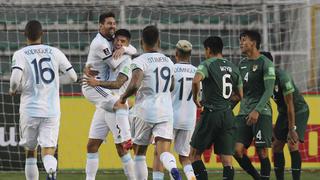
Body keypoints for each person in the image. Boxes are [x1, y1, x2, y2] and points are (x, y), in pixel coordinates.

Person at [9, 20, 77, 180]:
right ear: (42, 34)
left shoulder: (20, 54)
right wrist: (56, 81)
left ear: (24, 35)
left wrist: (13, 90)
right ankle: (51, 170)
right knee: (48, 151)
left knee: (31, 152)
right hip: (51, 110)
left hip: (30, 110)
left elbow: (14, 80)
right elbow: (73, 77)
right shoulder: (55, 52)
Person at [118, 25, 182, 180]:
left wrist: (123, 98)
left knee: (140, 153)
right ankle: (172, 167)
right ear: (158, 42)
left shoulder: (140, 61)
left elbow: (134, 85)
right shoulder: (168, 60)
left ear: (141, 42)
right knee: (163, 152)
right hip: (166, 111)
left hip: (145, 111)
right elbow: (172, 85)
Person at [81, 12, 136, 180]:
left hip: (109, 95)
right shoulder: (102, 44)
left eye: (114, 23)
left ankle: (128, 139)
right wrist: (125, 49)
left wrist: (126, 51)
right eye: (109, 23)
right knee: (100, 146)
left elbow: (119, 83)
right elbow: (112, 61)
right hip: (100, 92)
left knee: (96, 146)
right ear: (100, 25)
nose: (112, 26)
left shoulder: (126, 60)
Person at [190, 36, 243, 180]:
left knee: (194, 155)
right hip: (227, 115)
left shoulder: (207, 64)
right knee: (227, 160)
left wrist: (196, 99)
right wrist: (225, 104)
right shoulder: (233, 67)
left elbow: (196, 81)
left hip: (211, 113)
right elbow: (240, 95)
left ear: (208, 49)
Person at [260, 52, 309, 180]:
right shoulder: (261, 79)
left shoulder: (283, 77)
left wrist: (292, 129)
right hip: (283, 112)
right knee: (276, 146)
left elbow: (290, 104)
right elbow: (263, 103)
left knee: (292, 144)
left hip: (298, 110)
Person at [152, 40, 197, 180]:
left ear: (176, 53)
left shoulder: (170, 69)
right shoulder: (197, 72)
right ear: (190, 55)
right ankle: (191, 177)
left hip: (170, 116)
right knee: (185, 157)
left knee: (160, 153)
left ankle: (168, 174)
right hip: (189, 118)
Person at [234, 30, 275, 180]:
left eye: (244, 40)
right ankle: (257, 178)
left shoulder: (266, 63)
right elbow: (239, 92)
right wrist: (226, 109)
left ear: (253, 43)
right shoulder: (242, 64)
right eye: (240, 40)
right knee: (236, 150)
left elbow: (269, 90)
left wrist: (257, 110)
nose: (241, 43)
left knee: (262, 151)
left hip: (261, 112)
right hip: (243, 112)